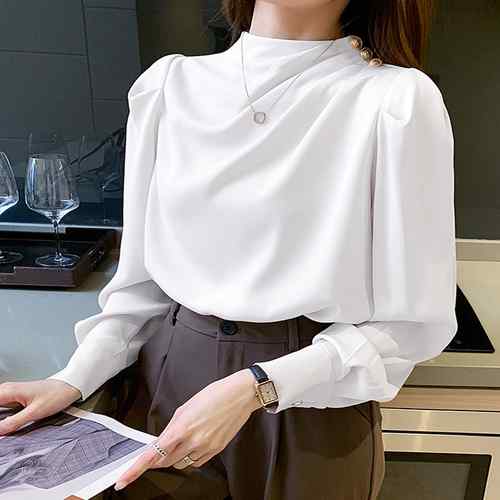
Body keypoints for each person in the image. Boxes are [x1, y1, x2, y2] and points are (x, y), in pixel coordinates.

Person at [0, 0, 457, 498]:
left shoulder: (396, 101)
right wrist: (75, 378)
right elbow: (141, 289)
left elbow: (411, 323)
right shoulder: (166, 87)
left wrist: (257, 386)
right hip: (164, 391)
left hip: (311, 409)